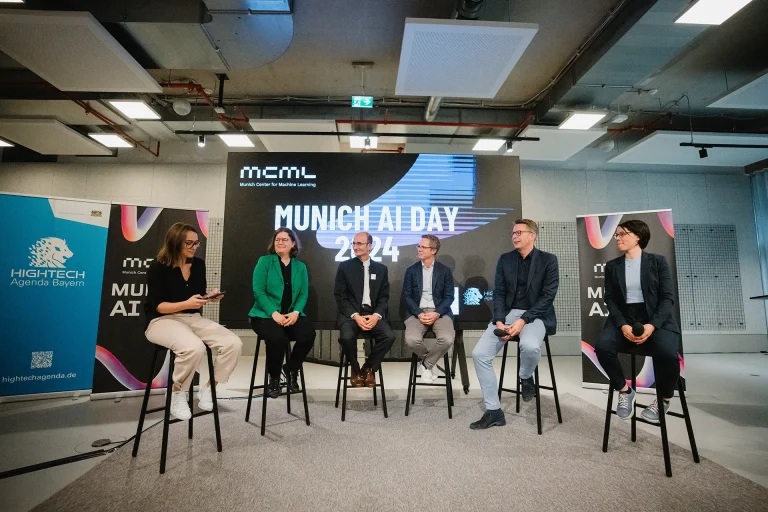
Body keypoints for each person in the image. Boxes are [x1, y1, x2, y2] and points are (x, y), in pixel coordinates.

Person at [145, 222, 243, 421]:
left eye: (196, 243)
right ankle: (176, 392)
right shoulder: (157, 266)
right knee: (194, 348)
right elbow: (159, 306)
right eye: (188, 243)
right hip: (162, 320)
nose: (193, 247)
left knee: (234, 343)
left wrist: (209, 297)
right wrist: (187, 302)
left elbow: (196, 300)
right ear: (175, 242)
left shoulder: (198, 264)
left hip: (192, 317)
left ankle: (209, 388)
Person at [471, 219, 559, 430]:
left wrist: (523, 320)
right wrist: (500, 319)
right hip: (508, 314)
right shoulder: (505, 259)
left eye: (519, 232)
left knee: (529, 346)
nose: (515, 236)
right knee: (479, 354)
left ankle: (525, 377)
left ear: (532, 235)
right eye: (513, 233)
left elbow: (547, 297)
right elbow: (499, 292)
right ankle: (494, 411)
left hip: (536, 315)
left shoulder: (549, 260)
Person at [595, 219, 681, 423]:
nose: (618, 238)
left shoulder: (657, 262)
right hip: (625, 318)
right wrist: (623, 325)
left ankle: (664, 399)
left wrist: (652, 326)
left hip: (656, 318)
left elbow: (667, 297)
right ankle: (624, 391)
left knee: (668, 354)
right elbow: (610, 299)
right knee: (602, 347)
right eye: (616, 234)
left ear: (638, 236)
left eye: (622, 233)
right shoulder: (612, 266)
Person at [249, 228, 316, 399]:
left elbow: (303, 294)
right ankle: (274, 378)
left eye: (285, 240)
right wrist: (274, 313)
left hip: (291, 315)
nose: (280, 242)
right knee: (278, 339)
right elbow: (258, 291)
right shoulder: (264, 261)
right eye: (277, 239)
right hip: (265, 316)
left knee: (308, 335)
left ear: (293, 244)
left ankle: (291, 369)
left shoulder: (300, 267)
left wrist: (296, 312)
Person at [334, 231, 395, 387]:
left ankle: (368, 368)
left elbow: (384, 297)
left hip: (373, 314)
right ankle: (355, 370)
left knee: (389, 336)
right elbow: (340, 297)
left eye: (359, 243)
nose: (355, 247)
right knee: (347, 338)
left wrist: (376, 316)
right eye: (354, 243)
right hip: (351, 315)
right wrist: (355, 316)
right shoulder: (345, 267)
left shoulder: (381, 269)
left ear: (369, 246)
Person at [402, 234, 455, 384]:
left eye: (423, 247)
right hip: (416, 312)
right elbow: (407, 296)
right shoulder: (411, 271)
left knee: (447, 339)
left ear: (433, 250)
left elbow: (449, 296)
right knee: (411, 340)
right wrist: (419, 314)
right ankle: (430, 364)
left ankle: (425, 365)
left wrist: (436, 313)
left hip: (440, 312)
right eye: (419, 246)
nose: (419, 249)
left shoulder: (445, 271)